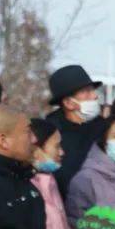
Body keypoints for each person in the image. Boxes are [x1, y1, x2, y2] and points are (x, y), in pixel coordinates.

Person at [46, 64, 105, 199]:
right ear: (68, 103)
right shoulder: (49, 133)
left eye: (93, 90)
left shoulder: (104, 128)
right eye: (86, 91)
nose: (95, 96)